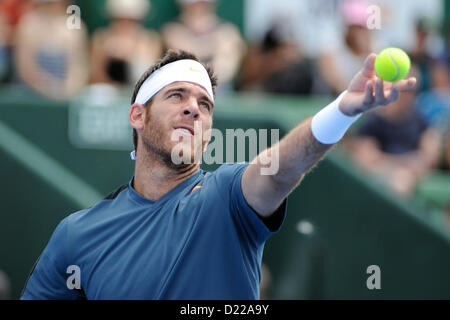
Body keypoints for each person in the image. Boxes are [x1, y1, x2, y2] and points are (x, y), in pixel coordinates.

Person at [21, 49, 416, 299]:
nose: (194, 108)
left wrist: (342, 112)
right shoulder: (76, 234)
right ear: (137, 115)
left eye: (205, 104)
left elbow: (280, 170)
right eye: (177, 95)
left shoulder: (227, 195)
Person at [161, 0, 246, 92]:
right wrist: (215, 44)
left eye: (203, 3)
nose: (199, 7)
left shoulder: (229, 30)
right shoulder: (171, 30)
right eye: (195, 4)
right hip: (181, 89)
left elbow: (225, 71)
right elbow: (186, 57)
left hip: (220, 92)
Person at [14, 0, 89, 101]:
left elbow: (78, 70)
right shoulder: (28, 24)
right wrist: (48, 90)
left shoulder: (74, 27)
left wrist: (66, 92)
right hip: (31, 97)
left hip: (64, 98)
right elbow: (25, 69)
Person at [90, 0, 162, 86]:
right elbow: (95, 78)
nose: (125, 25)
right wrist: (105, 55)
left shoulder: (151, 40)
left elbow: (152, 78)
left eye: (131, 21)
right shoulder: (101, 38)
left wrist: (133, 54)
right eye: (120, 20)